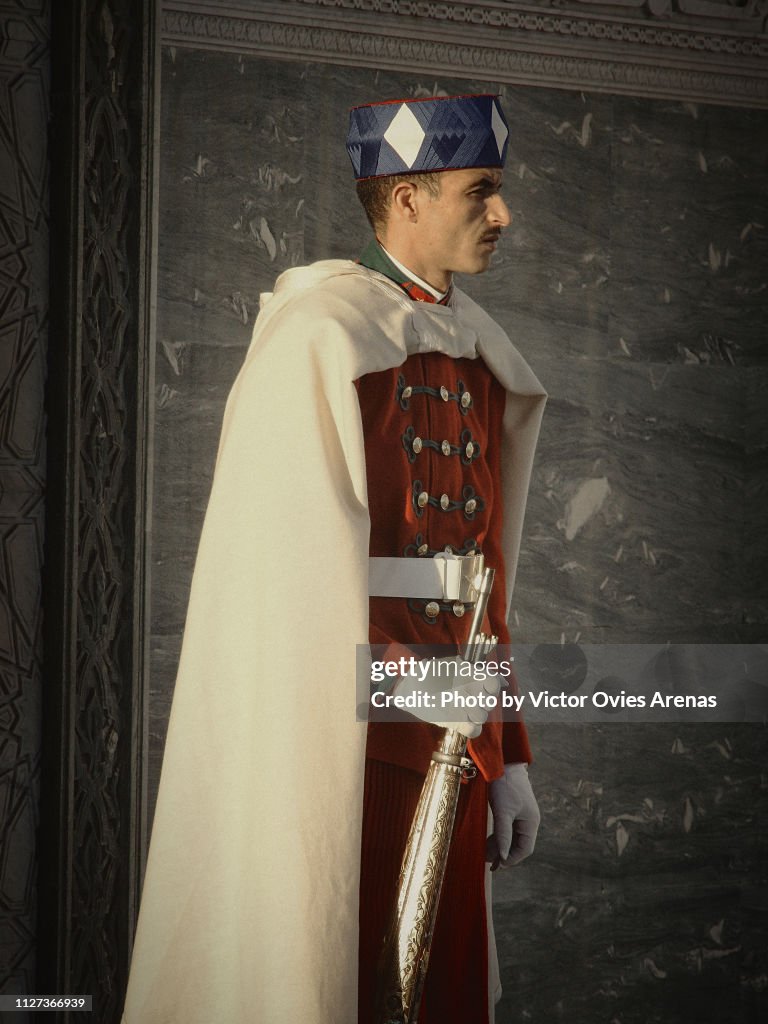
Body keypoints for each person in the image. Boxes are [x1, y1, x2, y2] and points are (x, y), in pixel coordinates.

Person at [122, 93, 546, 1024]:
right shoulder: (319, 341)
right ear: (406, 199)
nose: (503, 216)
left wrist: (505, 750)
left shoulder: (473, 350)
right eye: (481, 193)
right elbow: (287, 587)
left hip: (458, 745)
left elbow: (479, 587)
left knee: (444, 1000)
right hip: (348, 751)